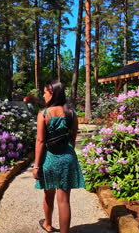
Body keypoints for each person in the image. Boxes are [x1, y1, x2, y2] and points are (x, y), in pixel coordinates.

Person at [33, 80, 85, 233]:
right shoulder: (71, 113)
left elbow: (41, 141)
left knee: (48, 194)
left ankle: (47, 224)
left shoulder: (43, 114)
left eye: (45, 92)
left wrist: (36, 166)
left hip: (49, 159)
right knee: (64, 200)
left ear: (52, 93)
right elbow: (73, 138)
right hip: (67, 157)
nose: (43, 95)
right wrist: (67, 155)